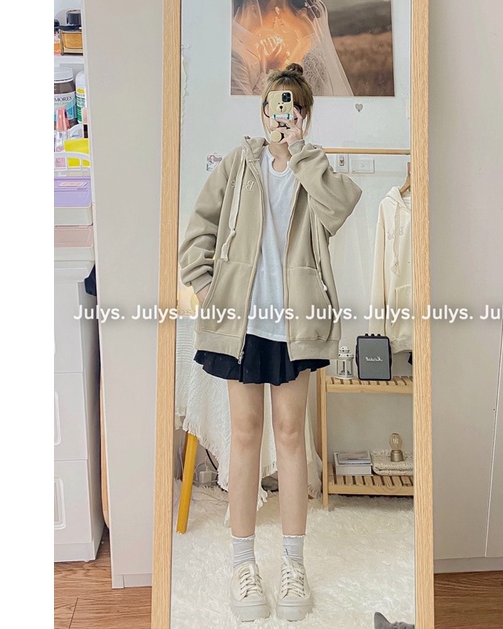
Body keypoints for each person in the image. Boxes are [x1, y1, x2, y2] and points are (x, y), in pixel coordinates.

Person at [179, 63, 362, 622]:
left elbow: (340, 208)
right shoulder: (238, 164)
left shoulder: (315, 168)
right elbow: (199, 228)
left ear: (304, 115)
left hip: (293, 326)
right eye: (275, 107)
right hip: (243, 324)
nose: (282, 117)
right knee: (244, 435)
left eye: (293, 108)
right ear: (262, 112)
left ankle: (292, 565)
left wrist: (302, 153)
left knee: (290, 435)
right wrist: (206, 285)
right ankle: (243, 565)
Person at [231, 0, 353, 96]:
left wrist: (272, 70)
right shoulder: (304, 48)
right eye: (275, 9)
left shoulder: (310, 57)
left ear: (302, 13)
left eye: (281, 9)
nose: (278, 15)